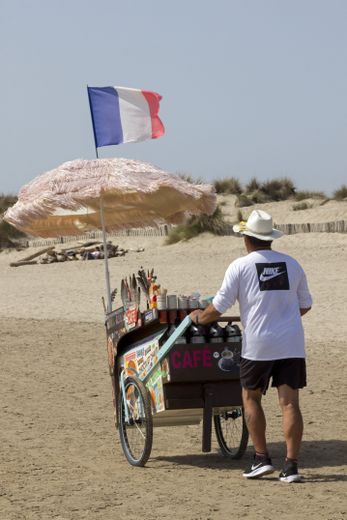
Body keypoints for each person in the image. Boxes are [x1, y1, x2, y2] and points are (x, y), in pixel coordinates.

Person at [190, 209, 312, 483]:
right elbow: (305, 305)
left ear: (247, 238)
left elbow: (218, 307)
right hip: (291, 342)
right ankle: (291, 466)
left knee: (251, 398)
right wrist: (283, 317)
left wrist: (199, 317)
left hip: (259, 344)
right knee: (289, 403)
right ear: (269, 238)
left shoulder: (240, 266)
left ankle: (261, 458)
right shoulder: (292, 264)